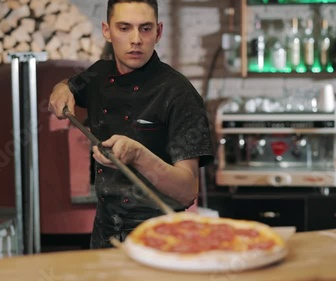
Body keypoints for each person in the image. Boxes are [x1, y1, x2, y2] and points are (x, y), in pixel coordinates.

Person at [48, 0, 214, 249]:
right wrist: (60, 88)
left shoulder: (179, 93)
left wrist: (137, 155)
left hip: (160, 235)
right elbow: (70, 85)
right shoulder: (98, 75)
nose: (136, 39)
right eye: (124, 28)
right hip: (105, 232)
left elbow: (187, 190)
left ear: (158, 32)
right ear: (107, 31)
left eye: (145, 29)